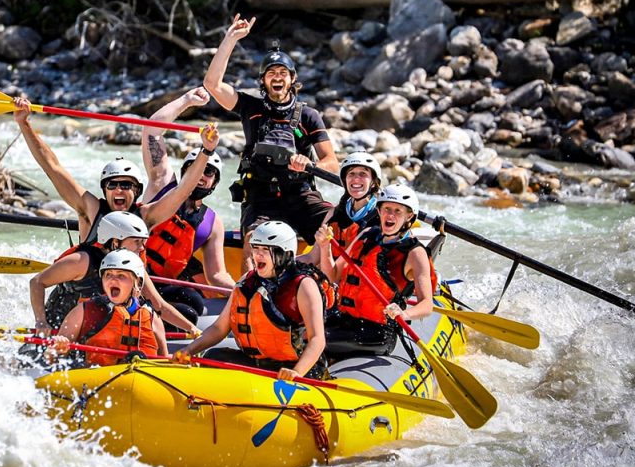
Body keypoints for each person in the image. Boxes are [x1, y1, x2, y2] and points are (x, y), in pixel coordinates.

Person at [202, 14, 339, 254]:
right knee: (255, 239)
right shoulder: (250, 107)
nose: (277, 77)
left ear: (292, 79)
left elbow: (332, 164)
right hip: (260, 197)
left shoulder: (309, 115)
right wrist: (231, 38)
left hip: (301, 195)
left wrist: (307, 163)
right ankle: (250, 289)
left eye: (283, 73)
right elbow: (212, 84)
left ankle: (323, 281)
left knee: (336, 226)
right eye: (271, 73)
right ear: (263, 81)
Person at [12, 96, 220, 244]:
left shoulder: (146, 216)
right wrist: (24, 124)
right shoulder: (90, 209)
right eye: (113, 184)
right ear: (105, 189)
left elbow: (183, 190)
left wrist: (206, 150)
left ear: (137, 191)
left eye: (126, 185)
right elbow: (52, 167)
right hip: (89, 296)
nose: (119, 190)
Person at [173, 221, 329, 380]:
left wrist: (297, 372)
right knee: (214, 356)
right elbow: (219, 329)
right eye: (255, 248)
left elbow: (317, 339)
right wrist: (189, 350)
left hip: (295, 366)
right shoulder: (246, 282)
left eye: (265, 250)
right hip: (259, 364)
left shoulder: (304, 286)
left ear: (285, 254)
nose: (257, 255)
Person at [140, 87, 236, 323]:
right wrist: (186, 101)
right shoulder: (162, 182)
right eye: (197, 169)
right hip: (134, 273)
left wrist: (243, 290)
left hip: (162, 286)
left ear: (215, 181)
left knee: (193, 304)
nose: (202, 175)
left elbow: (216, 275)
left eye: (209, 172)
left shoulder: (212, 224)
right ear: (185, 172)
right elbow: (152, 131)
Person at [28, 210, 200, 337]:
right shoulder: (81, 261)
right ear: (116, 241)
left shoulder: (134, 265)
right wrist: (41, 321)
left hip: (99, 331)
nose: (142, 248)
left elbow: (159, 306)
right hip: (62, 331)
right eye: (137, 242)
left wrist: (191, 329)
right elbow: (37, 282)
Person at [314, 184, 437, 355]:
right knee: (298, 329)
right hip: (344, 318)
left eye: (397, 211)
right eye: (386, 208)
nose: (390, 215)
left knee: (312, 341)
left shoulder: (415, 253)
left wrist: (404, 313)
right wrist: (324, 247)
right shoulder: (367, 234)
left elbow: (426, 305)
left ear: (409, 217)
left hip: (377, 332)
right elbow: (333, 276)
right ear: (379, 211)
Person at [49, 249, 167, 366]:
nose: (112, 280)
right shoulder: (83, 312)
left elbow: (164, 362)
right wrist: (58, 350)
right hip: (93, 379)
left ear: (138, 283)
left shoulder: (152, 318)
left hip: (141, 379)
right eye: (108, 274)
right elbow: (50, 358)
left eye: (121, 275)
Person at [313, 151, 384, 268]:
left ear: (373, 183)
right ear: (345, 181)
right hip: (332, 279)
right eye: (351, 174)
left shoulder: (382, 217)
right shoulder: (334, 213)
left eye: (363, 174)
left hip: (360, 282)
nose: (356, 179)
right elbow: (312, 257)